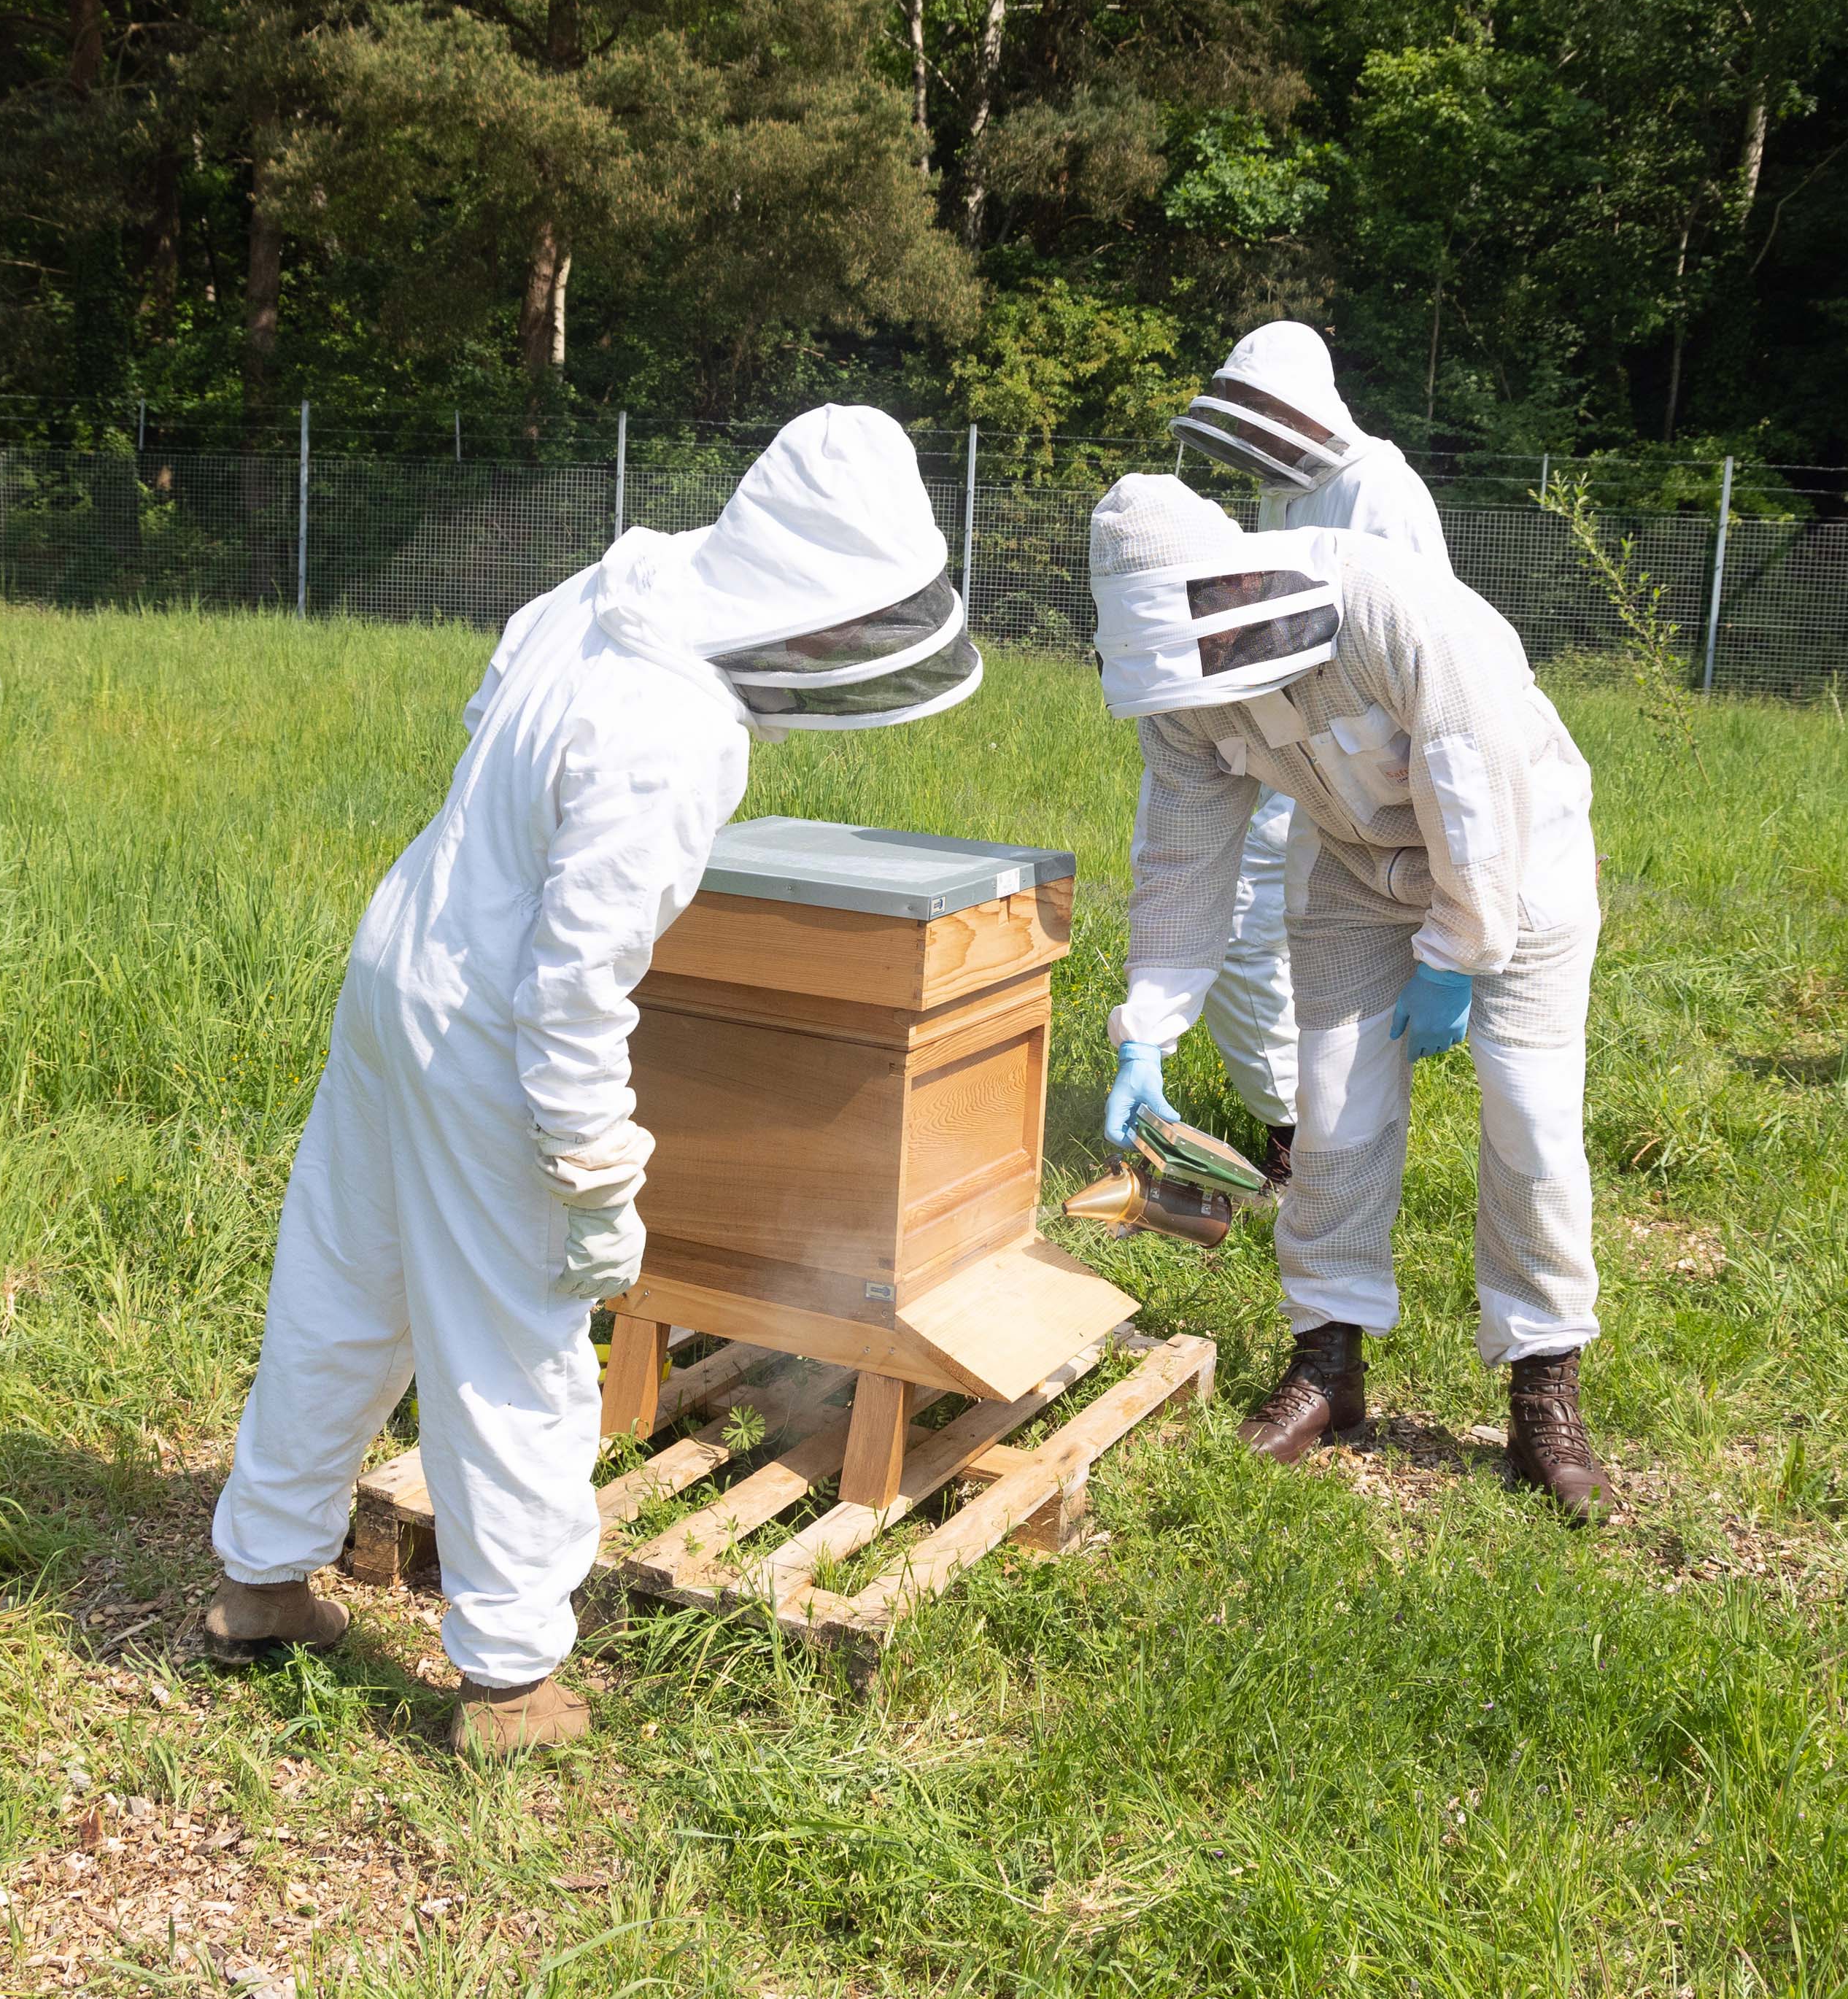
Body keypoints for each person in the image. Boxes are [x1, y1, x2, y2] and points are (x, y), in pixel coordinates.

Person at [199, 406, 982, 1755]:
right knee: (516, 1342)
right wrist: (591, 1177)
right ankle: (510, 1682)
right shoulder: (679, 728)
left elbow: (485, 725)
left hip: (399, 957)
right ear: (809, 604)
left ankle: (258, 1581)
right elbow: (567, 989)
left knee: (346, 1282)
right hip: (486, 1026)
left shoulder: (618, 585)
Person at [1088, 472, 1612, 1517]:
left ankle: (1541, 1390)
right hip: (1355, 879)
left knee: (1531, 1117)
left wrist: (1455, 954)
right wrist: (1144, 1030)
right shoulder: (1180, 698)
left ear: (1234, 590)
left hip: (1521, 866)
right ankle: (1326, 1367)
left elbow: (1477, 799)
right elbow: (1183, 858)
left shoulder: (1389, 611)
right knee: (1328, 1113)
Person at [1166, 322, 1453, 1175]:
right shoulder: (1284, 493)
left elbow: (1425, 658)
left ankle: (1319, 1138)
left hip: (1369, 761)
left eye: (1262, 419)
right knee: (1252, 924)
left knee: (1298, 929)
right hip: (1288, 741)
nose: (1253, 441)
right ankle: (1297, 1124)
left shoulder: (1382, 493)